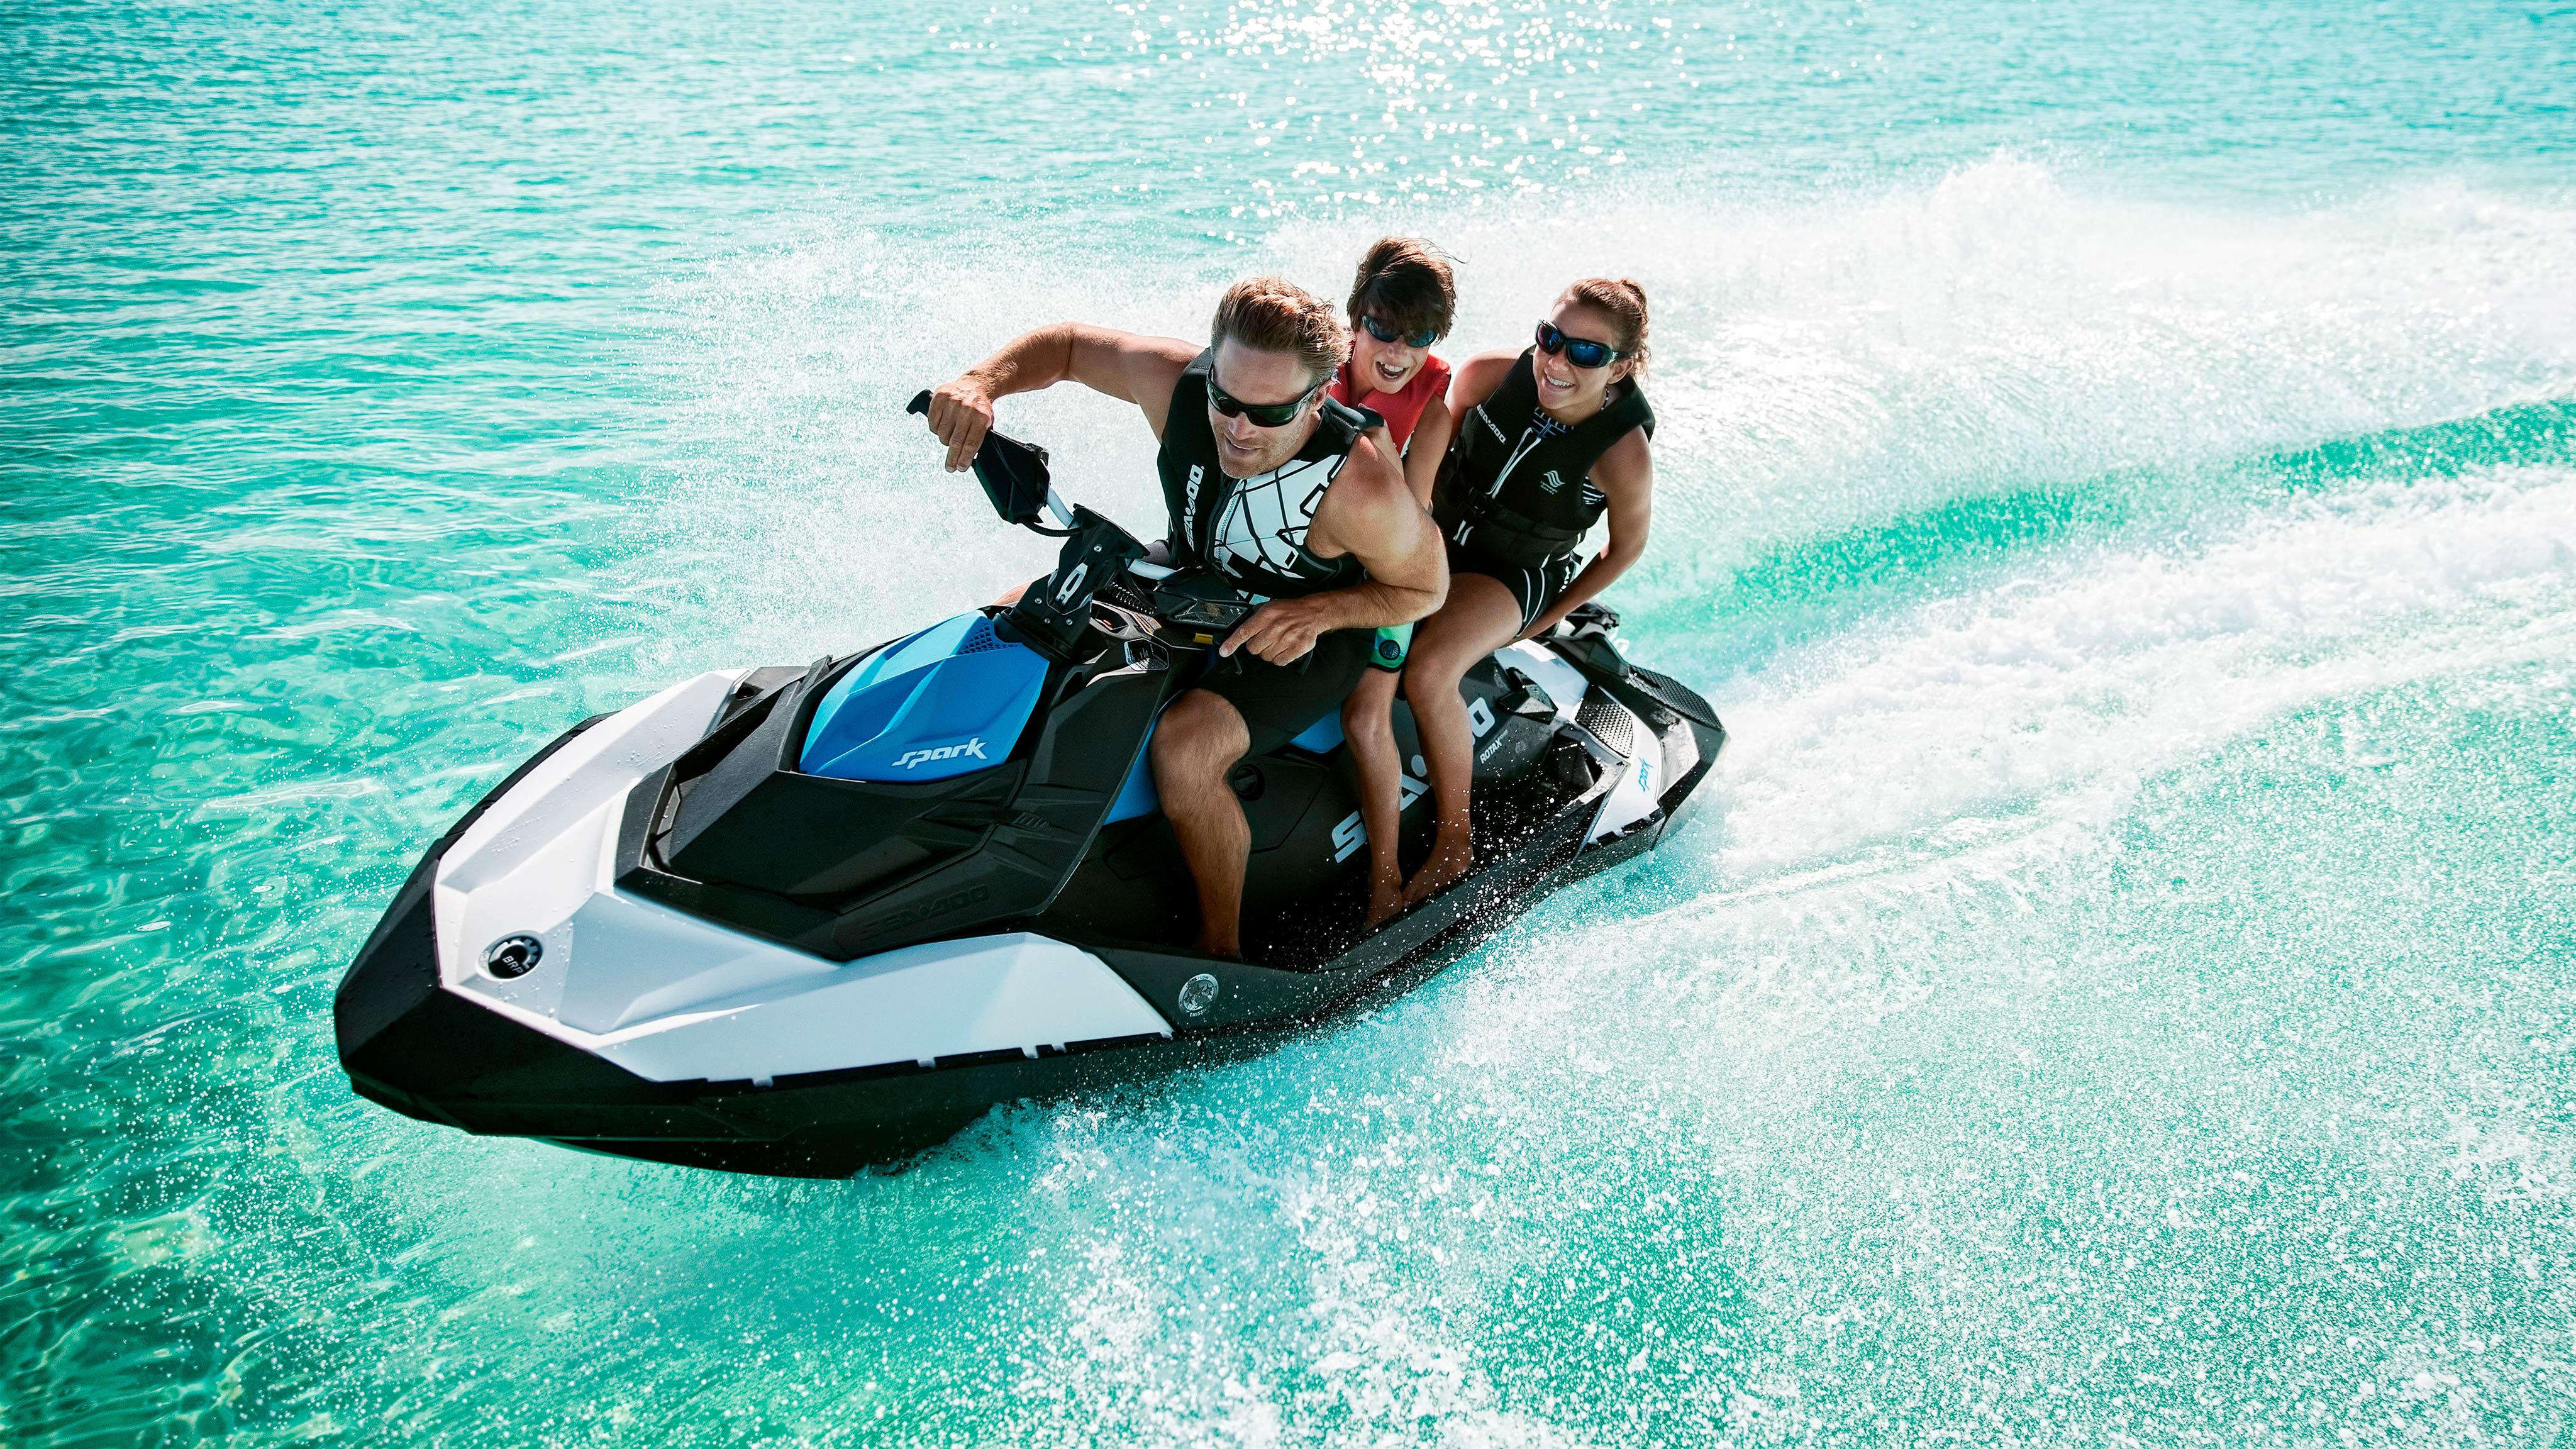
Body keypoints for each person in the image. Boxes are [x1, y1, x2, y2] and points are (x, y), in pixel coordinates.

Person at [921, 278, 1447, 958]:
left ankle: (1219, 948)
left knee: (1187, 747)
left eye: (1267, 414)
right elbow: (1073, 346)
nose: (1236, 427)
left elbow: (1424, 589)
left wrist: (1320, 611)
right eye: (1225, 399)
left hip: (1305, 631)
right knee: (1016, 615)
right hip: (1191, 581)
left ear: (1318, 397)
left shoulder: (1362, 488)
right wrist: (979, 383)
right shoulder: (1176, 384)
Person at [1400, 278, 1657, 906]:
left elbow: (1624, 548)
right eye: (1551, 339)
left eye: (1586, 354)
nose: (1558, 361)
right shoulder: (1488, 376)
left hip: (1513, 576)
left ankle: (1454, 842)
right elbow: (1430, 453)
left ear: (1620, 366)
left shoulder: (1622, 453)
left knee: (1428, 670)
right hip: (1432, 539)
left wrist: (1552, 614)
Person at [1323, 238, 1460, 928]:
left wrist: (1372, 441)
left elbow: (1413, 516)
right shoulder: (1313, 370)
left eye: (1419, 337)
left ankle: (1383, 879)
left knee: (1361, 715)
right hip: (1306, 559)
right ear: (1354, 320)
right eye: (1381, 329)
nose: (1397, 351)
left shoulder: (1430, 409)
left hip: (1391, 574)